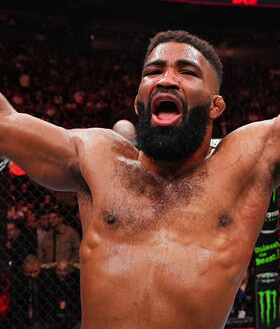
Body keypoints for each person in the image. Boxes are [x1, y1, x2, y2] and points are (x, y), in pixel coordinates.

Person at [0, 29, 279, 329]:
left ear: (215, 105)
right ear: (138, 103)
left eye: (187, 71)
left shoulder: (247, 161)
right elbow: (5, 122)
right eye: (153, 71)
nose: (166, 79)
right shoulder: (96, 157)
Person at [8, 254, 52, 328]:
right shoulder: (18, 281)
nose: (32, 275)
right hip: (22, 318)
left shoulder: (46, 279)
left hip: (42, 317)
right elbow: (15, 305)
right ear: (23, 268)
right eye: (29, 272)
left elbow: (49, 302)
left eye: (35, 272)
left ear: (39, 267)